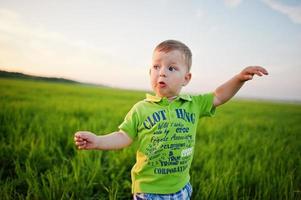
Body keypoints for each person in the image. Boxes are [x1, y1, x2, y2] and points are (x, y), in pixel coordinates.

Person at [74, 40, 268, 199]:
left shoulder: (193, 104)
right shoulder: (141, 109)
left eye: (172, 68)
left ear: (186, 78)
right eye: (156, 66)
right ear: (150, 73)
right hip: (149, 190)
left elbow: (219, 96)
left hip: (181, 187)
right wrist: (98, 141)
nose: (162, 72)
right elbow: (123, 135)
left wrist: (239, 79)